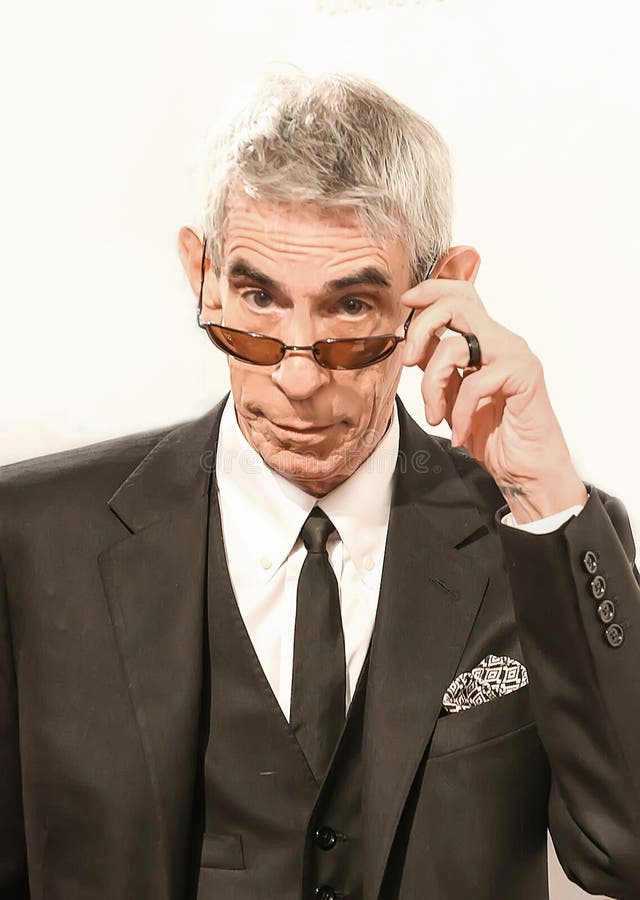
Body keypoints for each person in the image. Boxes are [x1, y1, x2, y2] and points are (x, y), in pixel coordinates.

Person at [1, 72, 639, 900]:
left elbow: (626, 854)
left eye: (351, 309)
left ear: (442, 289)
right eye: (259, 299)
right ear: (203, 274)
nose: (298, 380)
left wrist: (546, 489)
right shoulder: (30, 541)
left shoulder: (539, 537)